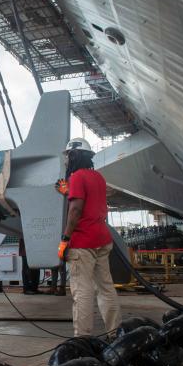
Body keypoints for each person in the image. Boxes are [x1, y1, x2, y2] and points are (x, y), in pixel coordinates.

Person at [57, 138, 121, 337]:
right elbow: (90, 197)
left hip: (83, 243)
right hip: (102, 240)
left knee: (82, 291)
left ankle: (82, 338)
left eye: (67, 156)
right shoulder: (98, 177)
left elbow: (76, 209)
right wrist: (67, 192)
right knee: (106, 289)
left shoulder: (76, 177)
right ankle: (114, 332)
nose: (66, 160)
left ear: (74, 156)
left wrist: (65, 239)